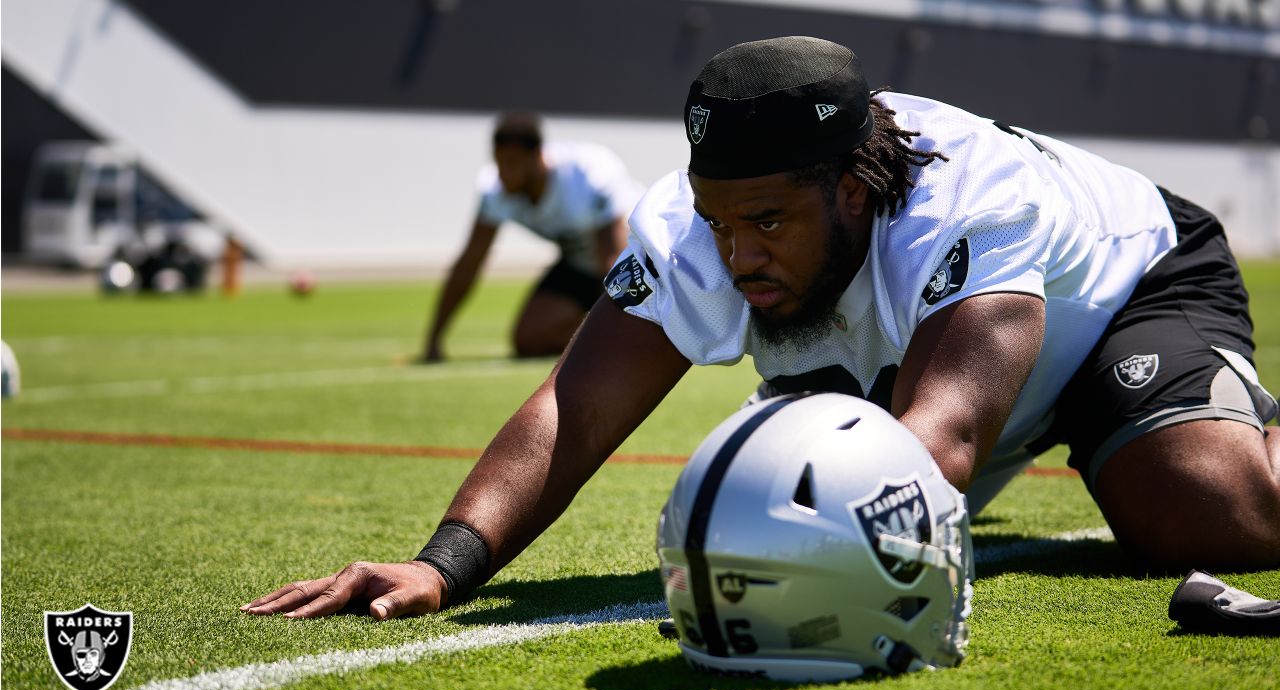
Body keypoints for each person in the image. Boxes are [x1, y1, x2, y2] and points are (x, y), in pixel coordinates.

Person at [246, 36, 1280, 622]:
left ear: (853, 191)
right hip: (922, 357)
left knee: (1194, 513)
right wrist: (443, 563)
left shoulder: (972, 202)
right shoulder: (704, 223)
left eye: (766, 222)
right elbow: (576, 405)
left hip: (1123, 292)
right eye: (715, 221)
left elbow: (946, 440)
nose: (734, 255)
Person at [420, 112, 641, 361]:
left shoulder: (588, 175)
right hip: (580, 264)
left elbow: (612, 258)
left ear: (537, 155)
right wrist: (434, 339)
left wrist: (625, 320)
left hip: (637, 262)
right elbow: (471, 260)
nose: (504, 173)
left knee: (626, 329)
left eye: (512, 163)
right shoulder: (495, 189)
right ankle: (605, 337)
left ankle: (637, 333)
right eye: (499, 162)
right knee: (529, 339)